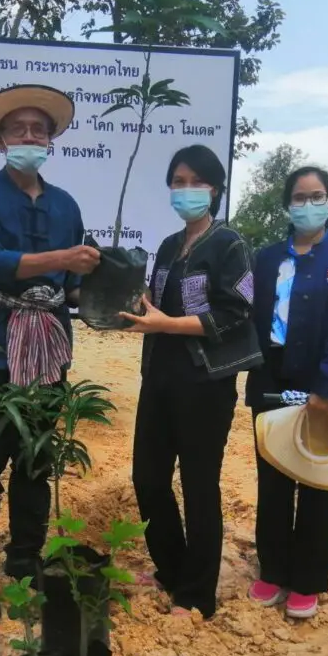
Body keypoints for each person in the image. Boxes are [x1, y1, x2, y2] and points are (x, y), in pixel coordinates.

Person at [0, 84, 101, 579]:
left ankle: (25, 563)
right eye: (18, 128)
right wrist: (61, 259)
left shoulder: (67, 205)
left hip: (49, 348)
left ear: (52, 138)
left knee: (36, 459)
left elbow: (75, 288)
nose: (30, 135)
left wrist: (115, 300)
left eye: (39, 128)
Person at [119, 144, 262, 620]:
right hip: (159, 376)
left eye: (193, 181)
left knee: (199, 484)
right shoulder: (166, 246)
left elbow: (234, 313)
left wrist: (166, 324)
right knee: (148, 477)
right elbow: (156, 307)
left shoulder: (229, 245)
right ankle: (171, 568)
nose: (184, 190)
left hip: (204, 383)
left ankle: (198, 592)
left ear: (214, 189)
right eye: (176, 182)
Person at [244, 166, 328, 619]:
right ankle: (273, 569)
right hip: (270, 379)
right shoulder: (267, 257)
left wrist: (326, 386)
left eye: (317, 195)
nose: (308, 204)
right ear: (287, 203)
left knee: (316, 482)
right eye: (299, 196)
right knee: (273, 479)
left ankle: (310, 578)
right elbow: (254, 318)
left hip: (321, 383)